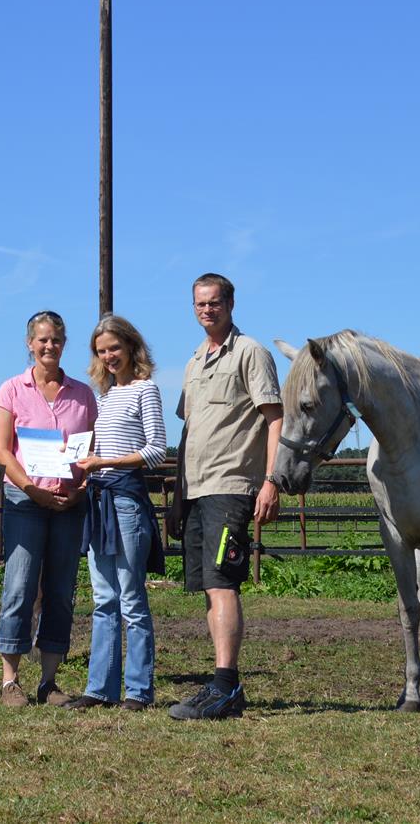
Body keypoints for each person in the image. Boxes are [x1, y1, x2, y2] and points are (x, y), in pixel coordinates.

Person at [168, 273, 282, 720]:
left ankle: (226, 687)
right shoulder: (195, 360)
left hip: (232, 485)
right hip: (196, 488)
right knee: (209, 588)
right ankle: (220, 683)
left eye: (214, 303)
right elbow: (189, 431)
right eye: (199, 304)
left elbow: (275, 419)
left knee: (222, 582)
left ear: (230, 303)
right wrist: (179, 496)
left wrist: (271, 480)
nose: (206, 311)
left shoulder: (251, 353)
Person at [0, 310, 97, 708]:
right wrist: (31, 488)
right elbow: (2, 450)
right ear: (29, 343)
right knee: (19, 585)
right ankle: (10, 680)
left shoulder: (83, 395)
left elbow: (91, 450)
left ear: (64, 344)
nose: (48, 346)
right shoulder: (11, 390)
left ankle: (49, 682)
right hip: (25, 500)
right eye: (42, 339)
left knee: (60, 590)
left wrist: (82, 488)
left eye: (55, 340)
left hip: (69, 502)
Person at [67, 314, 167, 712]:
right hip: (99, 499)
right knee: (103, 598)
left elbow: (156, 450)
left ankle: (138, 691)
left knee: (131, 597)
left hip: (125, 500)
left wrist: (104, 462)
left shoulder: (146, 391)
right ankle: (100, 688)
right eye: (101, 350)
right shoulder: (103, 398)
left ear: (130, 348)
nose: (109, 356)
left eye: (114, 348)